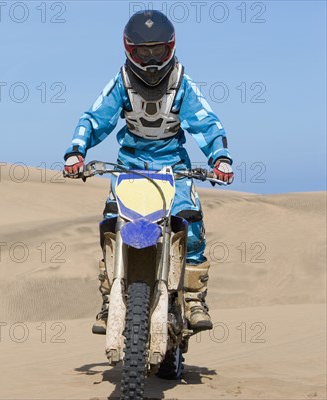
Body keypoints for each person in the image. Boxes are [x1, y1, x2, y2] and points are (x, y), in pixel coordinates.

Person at [63, 10, 234, 335]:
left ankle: (195, 298)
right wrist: (76, 151)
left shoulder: (182, 82)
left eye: (157, 50)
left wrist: (220, 158)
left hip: (175, 169)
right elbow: (94, 118)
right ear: (130, 49)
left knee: (190, 221)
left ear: (169, 47)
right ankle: (107, 297)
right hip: (129, 167)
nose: (151, 57)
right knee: (112, 224)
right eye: (144, 51)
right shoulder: (121, 82)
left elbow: (208, 123)